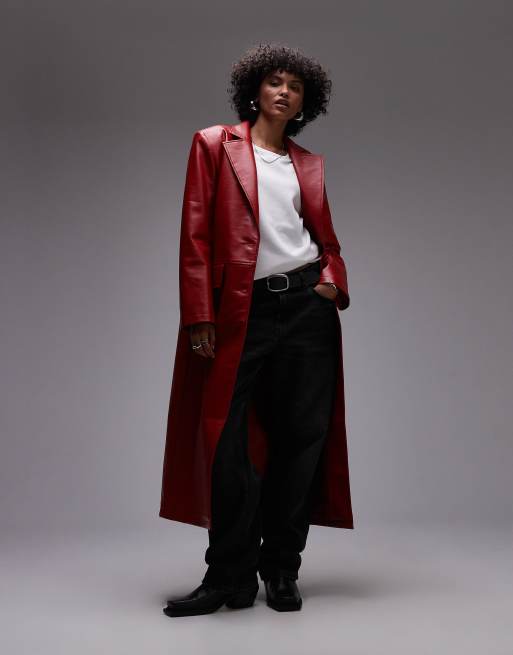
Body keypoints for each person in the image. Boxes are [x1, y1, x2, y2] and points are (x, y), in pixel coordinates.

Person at [162, 42, 353, 618]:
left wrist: (332, 282)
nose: (284, 91)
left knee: (302, 439)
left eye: (295, 86)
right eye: (275, 81)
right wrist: (199, 313)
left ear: (305, 102)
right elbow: (195, 234)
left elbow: (326, 240)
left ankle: (282, 568)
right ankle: (229, 575)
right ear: (255, 89)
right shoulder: (214, 144)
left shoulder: (307, 164)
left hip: (306, 308)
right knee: (226, 442)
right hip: (239, 309)